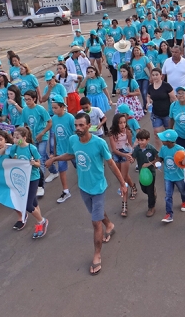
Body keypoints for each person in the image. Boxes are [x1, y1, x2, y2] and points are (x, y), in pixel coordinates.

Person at [46, 113, 127, 276]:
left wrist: (122, 183)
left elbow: (110, 163)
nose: (78, 128)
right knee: (97, 214)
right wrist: (55, 159)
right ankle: (110, 225)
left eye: (81, 125)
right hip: (84, 187)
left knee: (95, 223)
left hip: (98, 188)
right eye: (76, 125)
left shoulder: (99, 143)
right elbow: (71, 155)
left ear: (89, 126)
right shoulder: (73, 140)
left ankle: (97, 255)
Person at [8, 127, 49, 238]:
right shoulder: (15, 148)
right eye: (14, 137)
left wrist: (32, 163)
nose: (15, 140)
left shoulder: (32, 148)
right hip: (22, 178)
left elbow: (39, 164)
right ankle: (40, 222)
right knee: (34, 202)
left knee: (28, 205)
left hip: (33, 178)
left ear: (24, 138)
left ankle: (42, 221)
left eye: (18, 138)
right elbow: (12, 159)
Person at [21, 90, 52, 197]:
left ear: (34, 99)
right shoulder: (25, 110)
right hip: (32, 138)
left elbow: (50, 122)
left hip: (42, 137)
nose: (27, 101)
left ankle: (40, 186)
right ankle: (53, 170)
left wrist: (42, 133)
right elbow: (25, 124)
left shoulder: (40, 109)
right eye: (25, 99)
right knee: (42, 156)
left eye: (29, 99)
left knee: (40, 160)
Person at [157, 129, 185, 223]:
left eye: (163, 140)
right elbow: (160, 157)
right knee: (168, 195)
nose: (161, 141)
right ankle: (169, 214)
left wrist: (184, 161)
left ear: (169, 141)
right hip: (168, 176)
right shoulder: (163, 148)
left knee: (182, 190)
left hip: (178, 176)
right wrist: (157, 162)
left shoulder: (180, 149)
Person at [108, 113, 137, 217]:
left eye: (124, 122)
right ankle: (133, 187)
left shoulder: (128, 131)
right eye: (120, 123)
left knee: (123, 180)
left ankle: (124, 206)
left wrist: (130, 155)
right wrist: (124, 154)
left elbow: (129, 146)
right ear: (116, 123)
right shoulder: (112, 134)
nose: (123, 125)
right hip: (117, 155)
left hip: (125, 155)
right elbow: (114, 150)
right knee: (122, 175)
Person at [50, 95, 76, 203]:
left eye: (56, 107)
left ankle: (89, 182)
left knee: (80, 167)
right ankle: (66, 191)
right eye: (52, 108)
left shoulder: (70, 117)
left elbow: (75, 133)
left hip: (72, 149)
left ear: (62, 107)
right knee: (61, 170)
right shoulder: (53, 119)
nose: (54, 110)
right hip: (61, 150)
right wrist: (55, 151)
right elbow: (55, 135)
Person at [132, 129, 159, 217]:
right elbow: (133, 158)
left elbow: (158, 158)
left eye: (142, 140)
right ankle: (152, 193)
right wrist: (131, 159)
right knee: (144, 189)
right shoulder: (137, 149)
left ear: (147, 139)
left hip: (151, 173)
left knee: (150, 191)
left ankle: (151, 207)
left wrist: (150, 163)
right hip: (142, 174)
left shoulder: (151, 149)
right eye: (138, 140)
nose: (140, 142)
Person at [147, 68, 176, 149]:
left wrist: (177, 109)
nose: (155, 77)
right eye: (153, 75)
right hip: (156, 114)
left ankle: (172, 151)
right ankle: (159, 153)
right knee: (157, 133)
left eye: (156, 75)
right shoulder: (150, 87)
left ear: (161, 75)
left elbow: (173, 98)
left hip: (167, 114)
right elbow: (148, 96)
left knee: (169, 134)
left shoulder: (166, 86)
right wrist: (148, 102)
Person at [130, 45, 153, 112]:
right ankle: (148, 101)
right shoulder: (132, 60)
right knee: (140, 92)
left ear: (140, 51)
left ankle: (145, 106)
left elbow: (150, 67)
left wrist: (151, 77)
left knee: (144, 92)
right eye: (135, 51)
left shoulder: (144, 58)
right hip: (137, 79)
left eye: (138, 50)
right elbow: (131, 71)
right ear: (133, 52)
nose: (136, 52)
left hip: (145, 77)